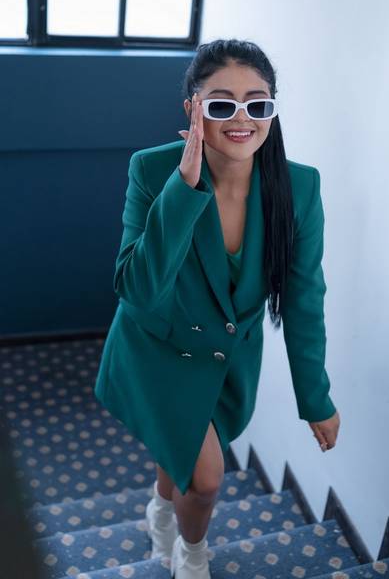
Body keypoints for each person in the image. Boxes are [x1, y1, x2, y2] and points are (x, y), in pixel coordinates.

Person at [94, 38, 340, 579]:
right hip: (156, 350)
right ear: (194, 108)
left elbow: (303, 298)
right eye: (222, 103)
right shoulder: (152, 169)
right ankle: (193, 554)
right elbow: (137, 287)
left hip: (224, 359)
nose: (242, 118)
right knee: (205, 478)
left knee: (181, 454)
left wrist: (314, 398)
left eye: (259, 103)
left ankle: (160, 504)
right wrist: (183, 190)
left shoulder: (300, 186)